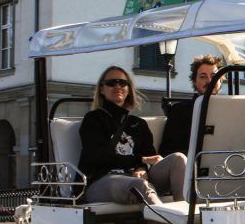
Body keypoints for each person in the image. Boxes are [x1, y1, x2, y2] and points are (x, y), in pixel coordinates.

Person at [79, 66, 186, 205]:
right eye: (112, 83)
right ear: (101, 89)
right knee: (140, 186)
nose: (118, 86)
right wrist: (140, 161)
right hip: (102, 179)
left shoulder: (138, 124)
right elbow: (98, 156)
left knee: (178, 158)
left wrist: (141, 168)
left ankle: (185, 213)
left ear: (129, 89)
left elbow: (149, 157)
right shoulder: (93, 119)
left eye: (122, 83)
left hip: (134, 177)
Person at [159, 55, 224, 158]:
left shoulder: (230, 110)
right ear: (194, 81)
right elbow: (168, 151)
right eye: (203, 76)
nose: (209, 81)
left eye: (214, 76)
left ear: (220, 80)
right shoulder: (179, 111)